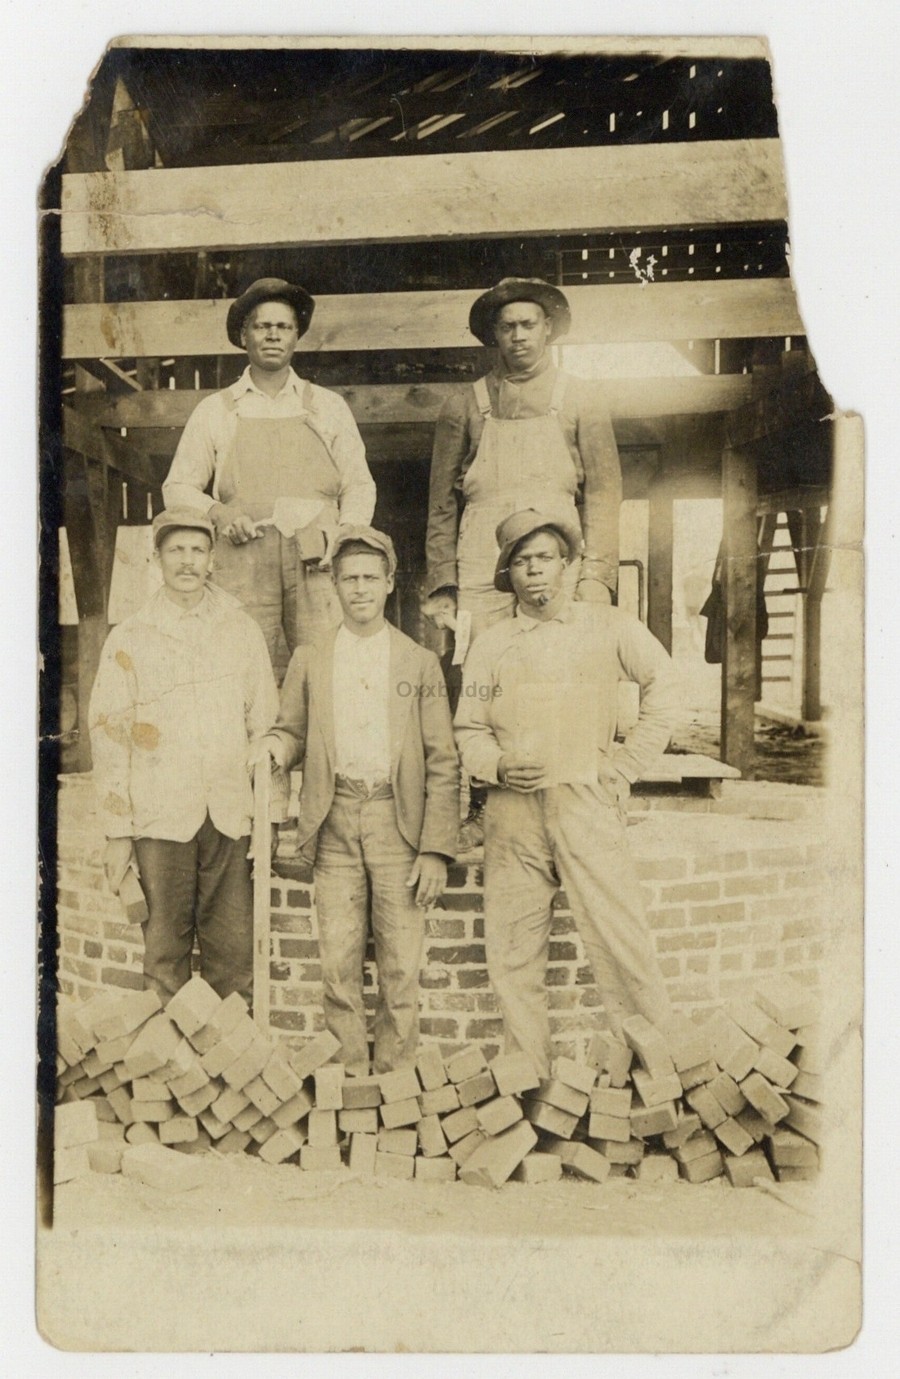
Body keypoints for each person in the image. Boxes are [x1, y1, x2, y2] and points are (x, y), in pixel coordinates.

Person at [454, 509, 681, 1077]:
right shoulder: (491, 643)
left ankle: (658, 1075)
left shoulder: (608, 626)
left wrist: (624, 768)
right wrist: (498, 765)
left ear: (569, 565)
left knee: (621, 943)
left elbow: (664, 688)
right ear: (508, 574)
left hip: (586, 804)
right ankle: (529, 1083)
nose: (535, 572)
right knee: (513, 954)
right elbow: (468, 729)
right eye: (522, 562)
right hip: (512, 815)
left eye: (546, 559)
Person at [251, 527, 459, 1076]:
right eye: (349, 579)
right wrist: (276, 746)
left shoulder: (420, 664)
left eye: (371, 578)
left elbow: (443, 760)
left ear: (390, 584)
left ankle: (395, 1088)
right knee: (338, 965)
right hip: (335, 819)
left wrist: (436, 848)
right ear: (334, 586)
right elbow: (290, 730)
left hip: (399, 824)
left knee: (400, 969)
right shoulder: (311, 658)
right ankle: (347, 1087)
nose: (360, 588)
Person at [424, 276, 623, 844]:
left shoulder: (581, 398)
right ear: (493, 335)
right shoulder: (465, 404)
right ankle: (484, 805)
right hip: (479, 553)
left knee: (572, 670)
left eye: (528, 324)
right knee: (483, 678)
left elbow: (605, 494)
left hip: (558, 553)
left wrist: (598, 577)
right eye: (507, 327)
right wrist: (444, 582)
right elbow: (441, 501)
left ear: (548, 329)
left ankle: (588, 793)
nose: (518, 336)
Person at [89, 507, 279, 1005]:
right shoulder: (130, 636)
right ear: (156, 559)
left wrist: (268, 818)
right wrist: (117, 833)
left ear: (213, 559)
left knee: (234, 959)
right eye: (176, 550)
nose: (188, 561)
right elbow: (110, 736)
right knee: (163, 958)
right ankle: (167, 1073)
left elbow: (266, 728)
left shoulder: (241, 630)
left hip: (228, 819)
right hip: (160, 818)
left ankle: (230, 1073)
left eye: (198, 550)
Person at [162, 277, 376, 674]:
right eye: (262, 326)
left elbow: (359, 485)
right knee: (240, 668)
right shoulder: (217, 410)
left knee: (326, 668)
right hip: (244, 561)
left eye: (284, 327)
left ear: (297, 336)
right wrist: (218, 513)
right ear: (244, 336)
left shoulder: (327, 407)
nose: (273, 335)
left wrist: (344, 535)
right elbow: (177, 487)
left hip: (318, 564)